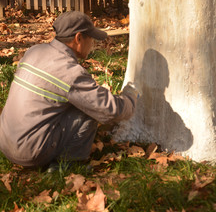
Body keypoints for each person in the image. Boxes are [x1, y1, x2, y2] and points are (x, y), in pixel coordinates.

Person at [0, 11, 138, 169]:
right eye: (91, 38)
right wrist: (130, 98)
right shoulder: (69, 72)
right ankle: (65, 166)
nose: (93, 43)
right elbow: (109, 110)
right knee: (89, 109)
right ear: (78, 38)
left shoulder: (34, 52)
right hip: (30, 152)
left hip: (5, 142)